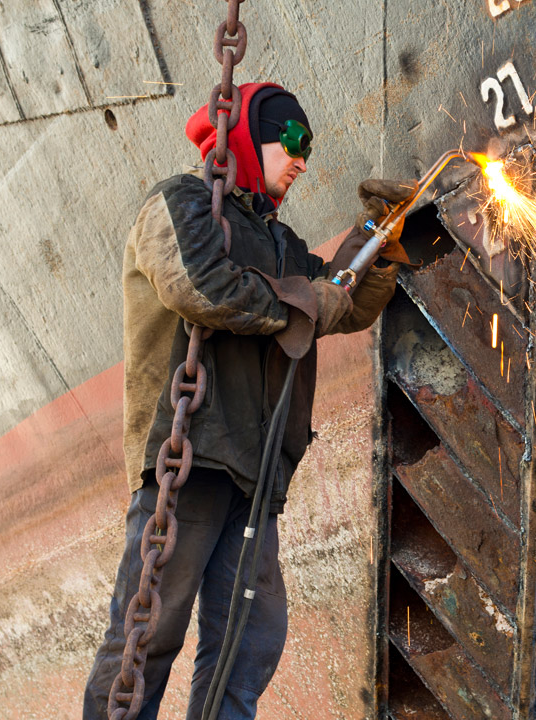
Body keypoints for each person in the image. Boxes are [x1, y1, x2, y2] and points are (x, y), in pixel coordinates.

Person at [83, 82, 413, 719]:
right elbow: (199, 284)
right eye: (290, 141)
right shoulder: (180, 204)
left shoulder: (283, 244)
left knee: (251, 638)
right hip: (191, 461)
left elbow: (335, 303)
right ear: (243, 137)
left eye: (308, 149)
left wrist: (375, 241)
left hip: (256, 474)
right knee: (149, 635)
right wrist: (300, 300)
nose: (300, 160)